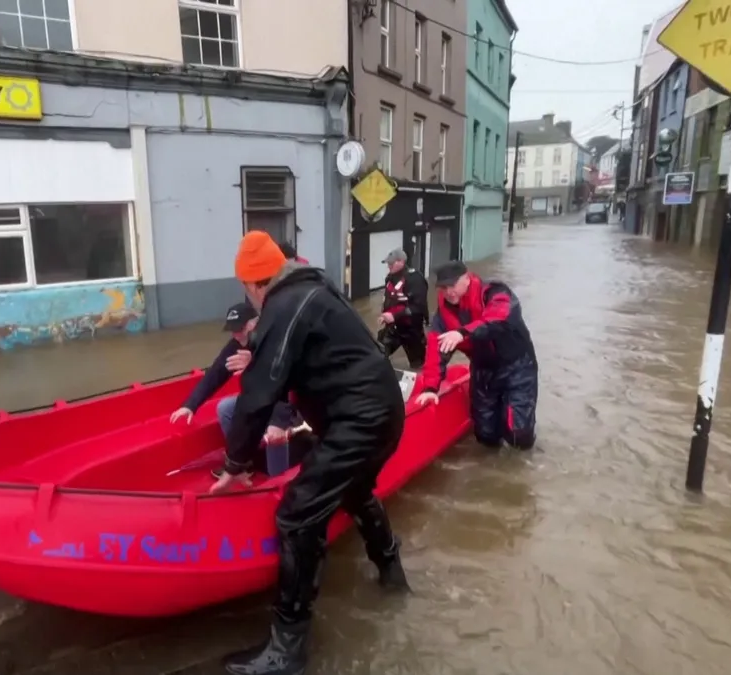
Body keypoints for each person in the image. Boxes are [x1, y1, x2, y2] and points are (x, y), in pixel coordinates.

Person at [212, 231, 409, 675]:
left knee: (297, 515)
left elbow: (259, 393)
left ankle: (287, 651)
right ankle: (392, 574)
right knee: (355, 491)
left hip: (359, 420)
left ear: (252, 283)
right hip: (381, 411)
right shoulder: (313, 289)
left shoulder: (283, 306)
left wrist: (234, 465)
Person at [416, 260, 538, 450]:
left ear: (466, 278)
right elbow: (435, 351)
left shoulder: (494, 292)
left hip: (517, 367)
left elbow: (499, 319)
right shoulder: (442, 315)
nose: (448, 292)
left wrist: (463, 333)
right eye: (443, 287)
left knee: (517, 433)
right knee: (485, 435)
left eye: (452, 285)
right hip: (483, 369)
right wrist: (430, 388)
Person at [169, 302, 296, 476]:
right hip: (261, 397)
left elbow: (288, 384)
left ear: (255, 323)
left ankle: (279, 480)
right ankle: (244, 461)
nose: (236, 335)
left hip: (292, 400)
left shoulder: (276, 340)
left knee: (274, 426)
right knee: (225, 408)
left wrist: (279, 422)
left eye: (240, 329)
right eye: (233, 330)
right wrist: (190, 405)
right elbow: (215, 374)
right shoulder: (236, 344)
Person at [376, 248, 429, 369]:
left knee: (418, 366)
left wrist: (394, 316)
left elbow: (418, 308)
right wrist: (385, 315)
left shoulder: (415, 279)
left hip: (411, 330)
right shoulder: (389, 278)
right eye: (387, 263)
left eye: (391, 263)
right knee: (376, 355)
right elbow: (390, 300)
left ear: (401, 262)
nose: (388, 266)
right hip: (393, 328)